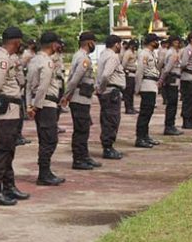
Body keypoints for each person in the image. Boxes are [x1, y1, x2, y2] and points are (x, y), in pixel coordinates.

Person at [0, 27, 30, 206]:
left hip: (11, 110)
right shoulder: (2, 59)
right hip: (6, 110)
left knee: (8, 150)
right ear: (16, 41)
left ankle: (9, 186)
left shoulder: (5, 57)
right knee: (2, 151)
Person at [26, 31, 66, 186]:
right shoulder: (47, 62)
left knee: (44, 138)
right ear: (53, 44)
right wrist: (36, 106)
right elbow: (43, 87)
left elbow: (29, 86)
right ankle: (44, 173)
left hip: (38, 103)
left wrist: (30, 105)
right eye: (57, 43)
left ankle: (45, 171)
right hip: (46, 104)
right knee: (50, 139)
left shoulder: (34, 60)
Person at [64, 31, 102, 169]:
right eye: (94, 42)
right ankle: (78, 159)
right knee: (80, 130)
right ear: (89, 42)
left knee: (84, 129)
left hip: (83, 98)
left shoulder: (82, 56)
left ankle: (84, 156)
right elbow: (74, 79)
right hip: (79, 98)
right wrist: (66, 96)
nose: (95, 45)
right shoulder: (83, 58)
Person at [95, 34, 126, 159]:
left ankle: (108, 146)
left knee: (107, 119)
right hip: (111, 92)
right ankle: (108, 148)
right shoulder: (113, 56)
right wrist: (101, 88)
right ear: (117, 44)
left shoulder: (103, 54)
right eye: (120, 44)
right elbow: (105, 75)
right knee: (112, 120)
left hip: (107, 92)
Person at [134, 33, 161, 148]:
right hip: (146, 84)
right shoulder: (144, 54)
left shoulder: (152, 53)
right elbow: (140, 71)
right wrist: (137, 88)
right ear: (151, 42)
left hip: (152, 84)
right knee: (145, 113)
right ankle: (140, 138)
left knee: (149, 112)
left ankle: (145, 135)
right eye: (156, 41)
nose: (158, 43)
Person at [159, 35, 183, 136]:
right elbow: (167, 69)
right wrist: (161, 79)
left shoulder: (175, 52)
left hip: (174, 80)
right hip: (171, 80)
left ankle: (171, 125)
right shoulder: (172, 53)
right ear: (173, 42)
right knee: (171, 105)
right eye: (177, 41)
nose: (179, 43)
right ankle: (169, 126)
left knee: (173, 104)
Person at [12, 50, 30, 145]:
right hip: (15, 89)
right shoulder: (11, 57)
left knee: (21, 114)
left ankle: (18, 135)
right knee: (17, 115)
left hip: (20, 89)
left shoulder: (16, 56)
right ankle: (15, 136)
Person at [121, 40, 139, 114]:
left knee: (131, 92)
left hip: (134, 74)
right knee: (128, 93)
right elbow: (123, 64)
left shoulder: (134, 52)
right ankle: (128, 108)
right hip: (129, 73)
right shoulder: (128, 53)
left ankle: (131, 107)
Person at [157, 38, 170, 105]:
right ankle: (165, 99)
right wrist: (158, 70)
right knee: (164, 85)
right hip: (164, 68)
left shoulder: (168, 51)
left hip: (167, 69)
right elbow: (161, 61)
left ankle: (166, 98)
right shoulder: (163, 51)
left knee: (166, 85)